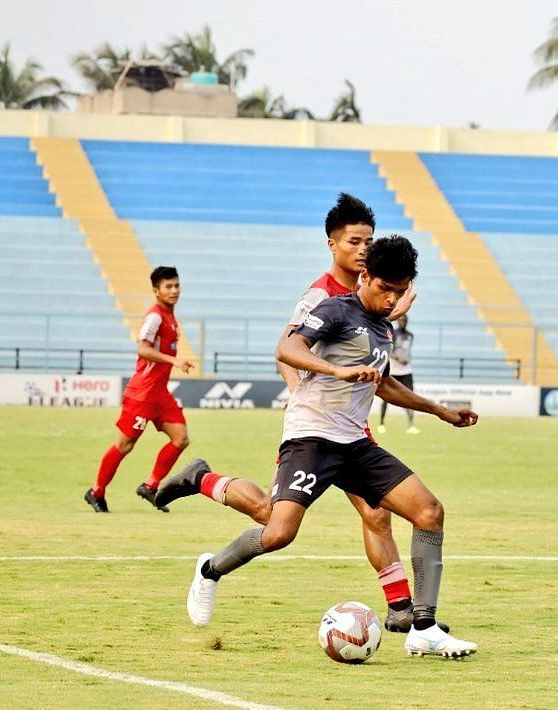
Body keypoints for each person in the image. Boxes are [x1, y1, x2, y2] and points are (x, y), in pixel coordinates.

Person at [168, 237, 480, 657]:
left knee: (429, 511)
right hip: (311, 438)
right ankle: (210, 569)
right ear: (365, 276)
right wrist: (336, 368)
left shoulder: (382, 326)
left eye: (400, 291)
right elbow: (288, 348)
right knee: (278, 532)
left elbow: (383, 383)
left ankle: (423, 627)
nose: (392, 299)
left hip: (354, 442)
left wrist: (440, 411)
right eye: (385, 288)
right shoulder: (334, 309)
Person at [84, 266, 195, 513]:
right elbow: (142, 349)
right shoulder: (155, 316)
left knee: (181, 438)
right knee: (125, 445)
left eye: (176, 285)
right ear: (156, 291)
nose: (174, 290)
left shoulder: (170, 316)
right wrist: (174, 360)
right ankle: (96, 491)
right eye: (168, 286)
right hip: (142, 394)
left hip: (159, 393)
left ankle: (150, 486)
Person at [378, 315, 418, 434]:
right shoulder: (392, 333)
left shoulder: (410, 335)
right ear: (397, 321)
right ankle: (381, 424)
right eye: (401, 320)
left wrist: (405, 360)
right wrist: (399, 359)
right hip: (393, 370)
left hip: (406, 371)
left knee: (410, 397)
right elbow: (389, 350)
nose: (403, 322)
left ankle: (411, 425)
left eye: (405, 320)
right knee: (386, 397)